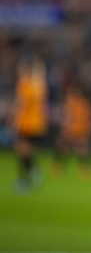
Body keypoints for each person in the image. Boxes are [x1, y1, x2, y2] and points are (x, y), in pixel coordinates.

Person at [10, 58, 48, 193]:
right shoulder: (36, 85)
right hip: (35, 124)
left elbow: (21, 104)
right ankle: (31, 173)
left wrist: (13, 120)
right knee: (24, 150)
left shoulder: (25, 84)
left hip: (27, 124)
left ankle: (27, 178)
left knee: (22, 150)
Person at [51, 76, 91, 181]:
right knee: (67, 146)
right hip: (75, 127)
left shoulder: (78, 101)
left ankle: (81, 168)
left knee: (78, 148)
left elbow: (73, 115)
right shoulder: (78, 101)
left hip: (77, 127)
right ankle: (61, 166)